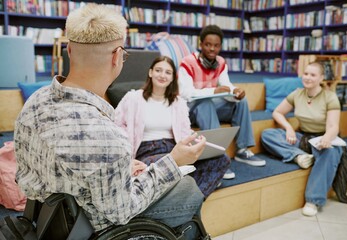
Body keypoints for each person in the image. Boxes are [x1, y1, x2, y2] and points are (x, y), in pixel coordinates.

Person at [14, 3, 207, 238]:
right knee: (188, 189)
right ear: (117, 57)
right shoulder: (105, 135)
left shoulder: (35, 102)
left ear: (70, 50)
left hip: (46, 221)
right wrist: (174, 161)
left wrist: (118, 168)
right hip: (93, 227)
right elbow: (120, 212)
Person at [114, 56, 231, 198]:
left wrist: (196, 141)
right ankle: (189, 194)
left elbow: (184, 132)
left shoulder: (178, 103)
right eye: (158, 70)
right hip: (147, 153)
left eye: (168, 72)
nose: (163, 75)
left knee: (222, 159)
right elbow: (117, 129)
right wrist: (127, 159)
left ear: (172, 78)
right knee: (170, 164)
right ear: (150, 73)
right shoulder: (132, 98)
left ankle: (194, 199)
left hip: (174, 149)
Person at [178, 25, 266, 180]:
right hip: (189, 110)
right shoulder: (187, 62)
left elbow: (226, 85)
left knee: (241, 102)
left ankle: (242, 149)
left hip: (209, 108)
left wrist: (235, 92)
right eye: (208, 44)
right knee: (206, 103)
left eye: (216, 45)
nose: (212, 49)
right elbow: (187, 94)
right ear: (201, 44)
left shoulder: (221, 62)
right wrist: (213, 91)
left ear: (220, 46)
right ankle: (217, 157)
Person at [261, 61, 342, 216]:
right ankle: (298, 156)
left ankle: (313, 201)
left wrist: (326, 138)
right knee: (268, 134)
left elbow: (334, 126)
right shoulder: (297, 93)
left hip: (322, 138)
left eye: (313, 75)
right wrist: (289, 128)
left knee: (332, 153)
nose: (308, 78)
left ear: (321, 78)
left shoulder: (330, 97)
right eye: (306, 74)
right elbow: (277, 112)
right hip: (303, 138)